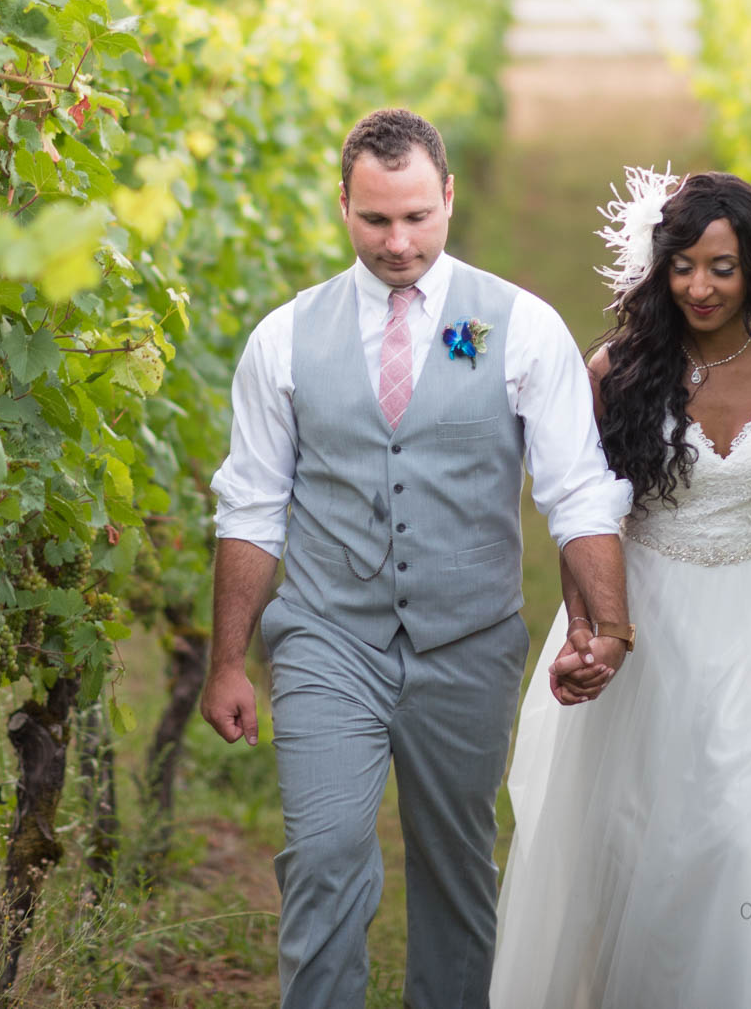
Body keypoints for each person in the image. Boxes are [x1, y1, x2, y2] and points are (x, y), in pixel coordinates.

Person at [201, 107, 636, 1009]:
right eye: (374, 220)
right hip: (329, 638)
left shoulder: (521, 328)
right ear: (343, 207)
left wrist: (607, 622)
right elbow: (251, 506)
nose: (397, 242)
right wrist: (228, 660)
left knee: (456, 874)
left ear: (447, 195)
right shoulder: (283, 339)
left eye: (415, 218)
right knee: (322, 858)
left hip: (467, 644)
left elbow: (576, 491)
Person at [487, 169, 751, 1007]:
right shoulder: (616, 370)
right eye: (683, 266)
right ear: (658, 267)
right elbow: (581, 513)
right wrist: (593, 626)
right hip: (648, 621)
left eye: (723, 267)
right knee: (649, 849)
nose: (700, 287)